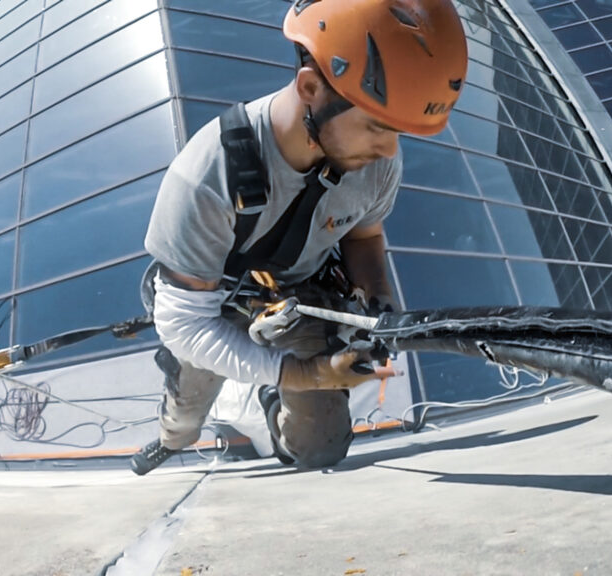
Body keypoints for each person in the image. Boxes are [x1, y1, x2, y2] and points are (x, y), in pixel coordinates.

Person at [131, 0, 468, 475]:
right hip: (213, 304)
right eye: (377, 126)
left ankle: (268, 396)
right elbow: (186, 325)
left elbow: (364, 236)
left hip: (296, 299)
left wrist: (378, 302)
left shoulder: (377, 163)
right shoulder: (206, 175)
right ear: (311, 89)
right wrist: (306, 374)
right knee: (188, 408)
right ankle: (173, 436)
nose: (390, 150)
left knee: (320, 449)